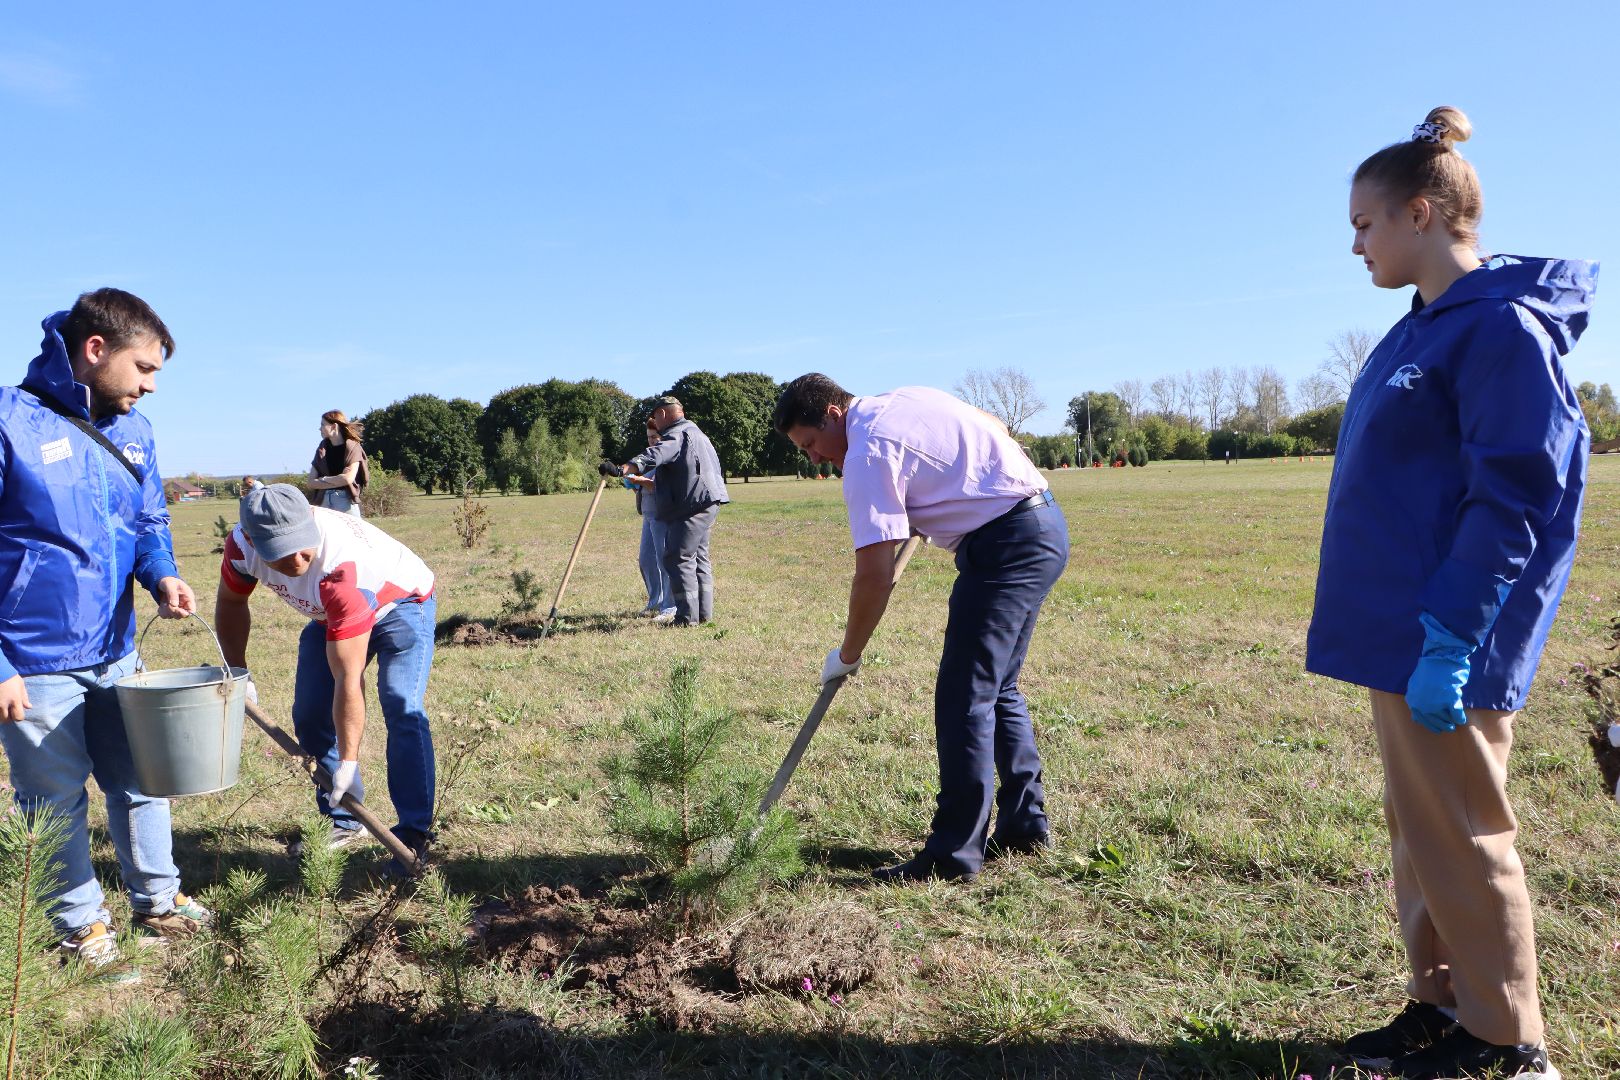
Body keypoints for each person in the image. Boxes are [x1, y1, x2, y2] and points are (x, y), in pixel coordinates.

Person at [1306, 107, 1596, 1080]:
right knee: (1423, 830)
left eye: (1365, 224)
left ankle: (1508, 1043)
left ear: (1422, 214)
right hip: (1399, 629)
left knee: (1466, 833)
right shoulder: (1422, 328)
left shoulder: (1502, 330)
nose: (1355, 243)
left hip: (1447, 634)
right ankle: (1441, 1005)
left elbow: (1516, 491)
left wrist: (1451, 635)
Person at [772, 375, 1069, 884]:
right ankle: (1023, 826)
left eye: (811, 444)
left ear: (832, 415)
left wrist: (848, 653)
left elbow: (873, 575)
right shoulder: (907, 400)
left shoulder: (866, 454)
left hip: (1005, 546)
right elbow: (991, 426)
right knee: (998, 690)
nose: (815, 459)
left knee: (964, 697)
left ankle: (953, 856)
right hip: (1041, 526)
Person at [0, 288, 210, 976]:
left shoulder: (137, 434)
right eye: (144, 368)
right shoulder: (9, 423)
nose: (150, 386)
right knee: (54, 797)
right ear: (95, 351)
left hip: (118, 651)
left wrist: (163, 576)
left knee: (142, 779)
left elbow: (148, 527)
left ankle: (159, 899)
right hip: (33, 661)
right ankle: (79, 925)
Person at [214, 484, 437, 873]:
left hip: (400, 605)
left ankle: (413, 833)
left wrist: (349, 760)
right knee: (311, 713)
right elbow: (232, 603)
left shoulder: (341, 566)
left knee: (402, 706)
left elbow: (348, 680)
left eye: (304, 543)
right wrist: (238, 670)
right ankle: (344, 820)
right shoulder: (241, 549)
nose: (300, 556)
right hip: (329, 615)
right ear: (251, 539)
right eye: (283, 550)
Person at [600, 396, 729, 626]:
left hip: (693, 504)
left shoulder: (676, 434)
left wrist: (623, 469)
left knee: (677, 557)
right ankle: (703, 614)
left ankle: (686, 618)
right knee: (699, 557)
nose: (654, 423)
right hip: (709, 499)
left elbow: (656, 454)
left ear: (662, 414)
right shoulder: (698, 433)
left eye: (655, 417)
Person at [629, 421, 676, 622]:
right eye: (649, 437)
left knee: (665, 561)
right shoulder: (646, 457)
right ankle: (655, 602)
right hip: (648, 515)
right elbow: (638, 482)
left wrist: (640, 481)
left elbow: (662, 485)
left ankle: (670, 608)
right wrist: (631, 481)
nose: (652, 441)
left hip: (663, 515)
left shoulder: (668, 456)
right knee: (646, 560)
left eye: (655, 436)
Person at [307, 409, 368, 517]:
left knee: (353, 533)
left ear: (334, 426)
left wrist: (323, 479)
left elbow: (348, 479)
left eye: (322, 425)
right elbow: (311, 482)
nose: (319, 428)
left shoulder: (353, 447)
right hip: (323, 500)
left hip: (345, 500)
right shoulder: (322, 449)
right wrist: (339, 478)